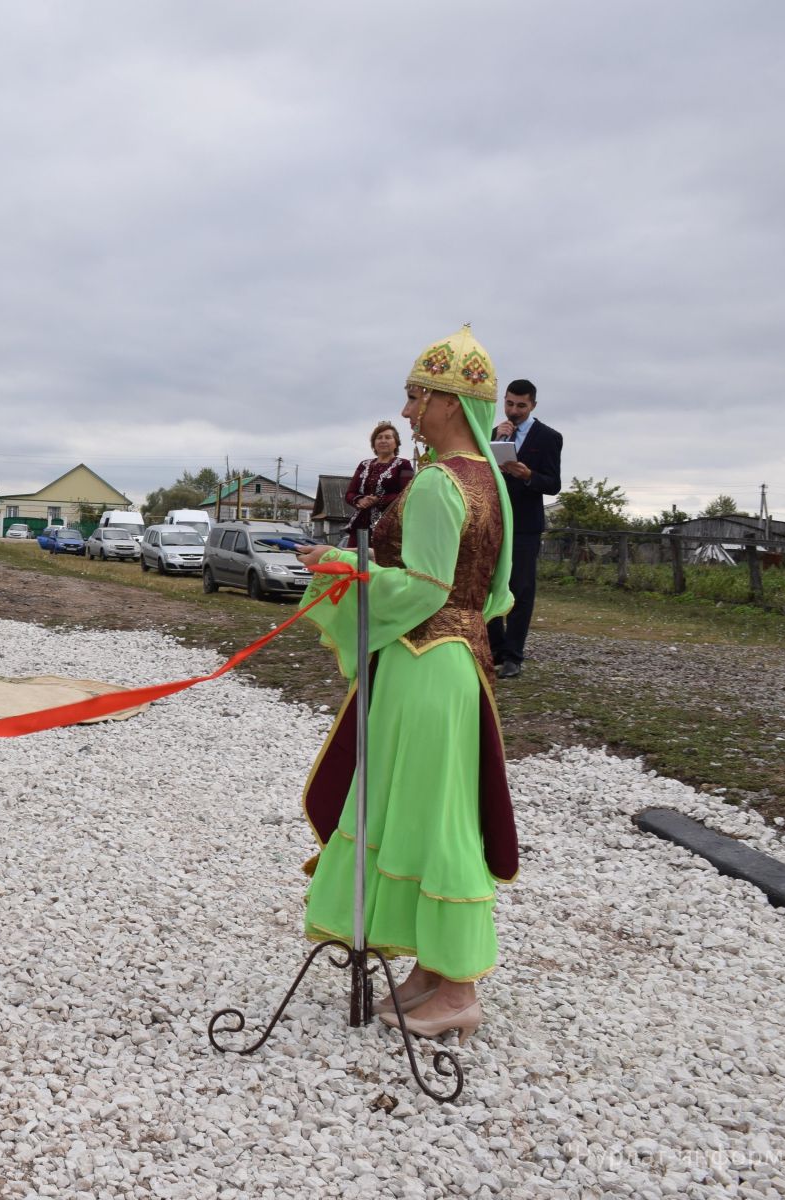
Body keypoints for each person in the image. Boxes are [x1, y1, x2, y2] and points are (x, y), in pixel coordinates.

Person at [294, 326, 519, 1042]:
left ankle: (458, 985)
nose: (410, 410)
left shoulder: (434, 483)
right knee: (419, 809)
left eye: (417, 397)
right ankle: (431, 967)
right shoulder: (487, 482)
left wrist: (338, 565)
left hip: (425, 664)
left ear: (452, 404)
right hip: (458, 664)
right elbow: (493, 593)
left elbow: (423, 587)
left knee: (434, 817)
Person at [487, 380, 562, 679]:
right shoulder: (494, 433)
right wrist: (494, 443)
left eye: (521, 405)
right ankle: (494, 647)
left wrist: (529, 475)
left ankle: (513, 655)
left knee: (521, 589)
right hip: (493, 521)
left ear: (533, 405)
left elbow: (553, 483)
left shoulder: (549, 437)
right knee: (489, 585)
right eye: (509, 404)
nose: (514, 411)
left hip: (525, 525)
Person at [343, 420, 414, 541]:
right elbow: (350, 494)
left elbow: (407, 494)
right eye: (379, 437)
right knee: (355, 559)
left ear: (396, 443)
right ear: (374, 443)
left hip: (388, 528)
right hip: (360, 525)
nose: (383, 441)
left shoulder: (404, 464)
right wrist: (360, 500)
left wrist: (379, 500)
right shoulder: (363, 465)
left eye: (388, 437)